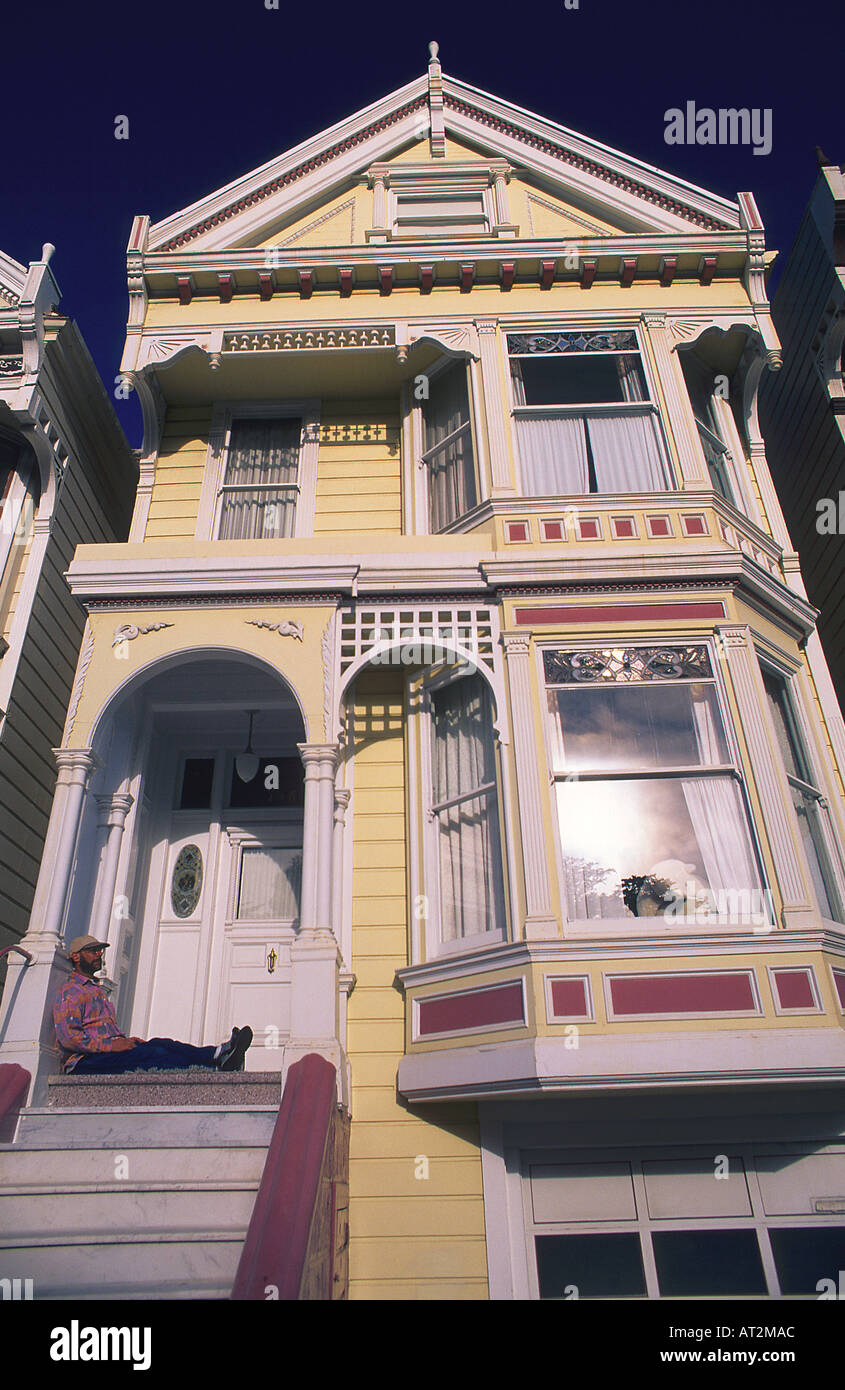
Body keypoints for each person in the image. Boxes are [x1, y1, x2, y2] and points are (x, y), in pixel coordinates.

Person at [52, 935, 253, 1075]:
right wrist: (112, 1045)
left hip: (107, 1052)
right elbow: (69, 1038)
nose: (98, 955)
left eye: (99, 951)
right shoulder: (70, 992)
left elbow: (100, 1031)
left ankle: (217, 1053)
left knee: (161, 1043)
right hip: (84, 1062)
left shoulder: (95, 990)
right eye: (92, 951)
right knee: (154, 1054)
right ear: (76, 957)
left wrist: (123, 1041)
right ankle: (212, 1070)